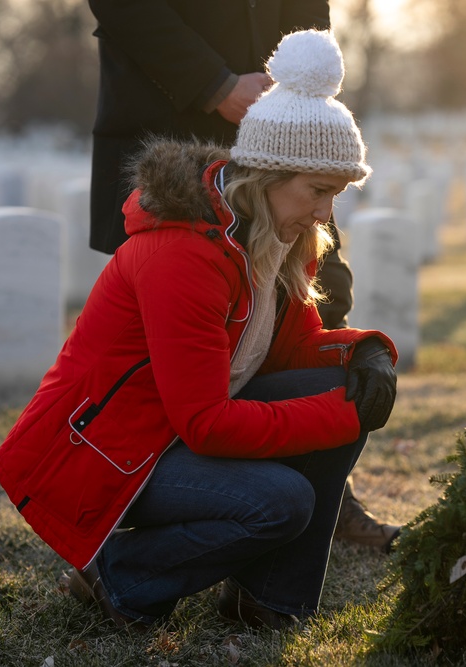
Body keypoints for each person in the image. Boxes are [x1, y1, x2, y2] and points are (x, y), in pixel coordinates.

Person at [0, 30, 398, 631]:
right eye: (317, 191)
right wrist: (346, 410)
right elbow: (205, 423)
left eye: (333, 196)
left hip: (170, 432)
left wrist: (364, 354)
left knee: (341, 396)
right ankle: (117, 576)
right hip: (108, 451)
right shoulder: (184, 255)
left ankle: (270, 599)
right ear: (267, 176)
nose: (324, 214)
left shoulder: (274, 240)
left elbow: (291, 353)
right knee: (284, 500)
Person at [87, 0, 400, 551]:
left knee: (319, 299)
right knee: (172, 348)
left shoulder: (308, 193)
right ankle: (159, 498)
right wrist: (213, 83)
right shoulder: (176, 251)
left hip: (285, 131)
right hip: (175, 114)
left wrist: (307, 112)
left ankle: (304, 513)